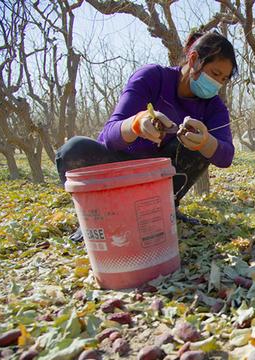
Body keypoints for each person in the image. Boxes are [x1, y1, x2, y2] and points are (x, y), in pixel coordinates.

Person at [56, 31, 237, 242]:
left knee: (204, 147)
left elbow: (226, 157)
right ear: (194, 59)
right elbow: (108, 136)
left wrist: (206, 141)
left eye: (223, 79)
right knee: (73, 149)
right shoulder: (152, 77)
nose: (217, 84)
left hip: (160, 180)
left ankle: (166, 209)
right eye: (214, 74)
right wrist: (136, 124)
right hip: (121, 170)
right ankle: (94, 219)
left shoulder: (214, 107)